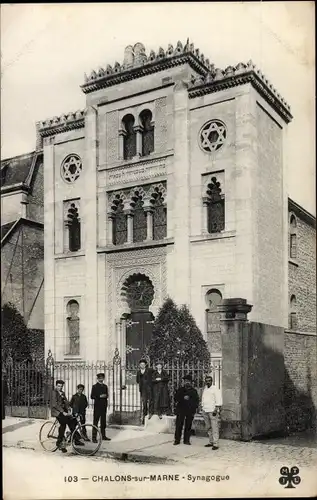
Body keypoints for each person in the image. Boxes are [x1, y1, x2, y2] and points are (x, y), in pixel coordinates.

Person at [51, 379, 84, 453]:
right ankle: (59, 443)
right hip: (56, 412)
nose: (60, 388)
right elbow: (54, 404)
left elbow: (66, 402)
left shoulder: (62, 392)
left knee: (73, 421)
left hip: (63, 411)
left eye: (61, 386)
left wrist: (69, 409)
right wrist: (63, 412)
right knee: (63, 424)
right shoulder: (54, 393)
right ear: (56, 386)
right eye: (59, 386)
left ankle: (75, 439)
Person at [174, 374, 199, 445]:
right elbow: (175, 399)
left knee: (188, 426)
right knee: (179, 425)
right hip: (181, 410)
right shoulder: (180, 390)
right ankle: (177, 440)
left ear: (191, 382)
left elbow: (196, 401)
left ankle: (186, 440)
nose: (187, 382)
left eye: (188, 381)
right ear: (184, 382)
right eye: (185, 381)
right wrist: (182, 398)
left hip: (190, 411)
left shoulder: (194, 391)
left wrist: (193, 409)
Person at [201, 374, 222, 450]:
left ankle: (216, 444)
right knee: (208, 427)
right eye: (206, 381)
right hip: (205, 410)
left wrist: (216, 409)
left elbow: (218, 399)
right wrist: (202, 408)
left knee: (214, 427)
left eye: (209, 381)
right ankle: (211, 442)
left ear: (212, 381)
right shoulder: (205, 388)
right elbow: (203, 399)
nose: (208, 382)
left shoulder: (215, 389)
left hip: (212, 411)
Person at [91, 373, 111, 442]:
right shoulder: (94, 386)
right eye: (100, 378)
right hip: (97, 407)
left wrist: (106, 396)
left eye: (102, 378)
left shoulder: (105, 386)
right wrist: (99, 396)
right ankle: (94, 437)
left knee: (103, 422)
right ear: (98, 379)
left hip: (103, 407)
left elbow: (107, 395)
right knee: (95, 422)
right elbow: (92, 396)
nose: (101, 379)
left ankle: (103, 436)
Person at [136, 359, 153, 424]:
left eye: (143, 364)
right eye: (141, 364)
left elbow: (155, 374)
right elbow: (137, 380)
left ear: (145, 365)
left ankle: (150, 414)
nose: (142, 365)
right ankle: (144, 417)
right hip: (143, 390)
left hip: (149, 389)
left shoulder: (149, 370)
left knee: (151, 401)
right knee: (144, 403)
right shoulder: (138, 372)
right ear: (139, 365)